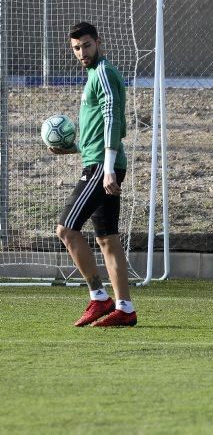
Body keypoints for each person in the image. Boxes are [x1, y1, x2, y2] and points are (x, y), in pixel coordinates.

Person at [52, 21, 136, 327]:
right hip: (101, 161)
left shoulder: (102, 72)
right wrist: (74, 148)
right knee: (107, 240)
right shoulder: (93, 74)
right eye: (76, 47)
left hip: (103, 165)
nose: (82, 52)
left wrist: (109, 168)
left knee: (66, 229)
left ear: (98, 43)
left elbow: (115, 120)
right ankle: (125, 308)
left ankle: (99, 298)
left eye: (86, 45)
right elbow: (100, 128)